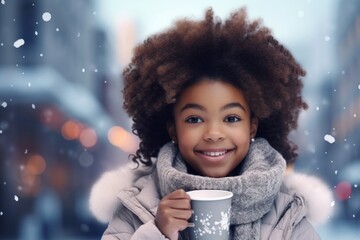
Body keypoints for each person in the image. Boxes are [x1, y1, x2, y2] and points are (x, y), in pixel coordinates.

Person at [89, 7, 333, 240]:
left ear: (253, 127)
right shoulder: (137, 206)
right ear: (172, 128)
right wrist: (158, 232)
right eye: (194, 119)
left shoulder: (287, 213)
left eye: (231, 118)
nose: (214, 133)